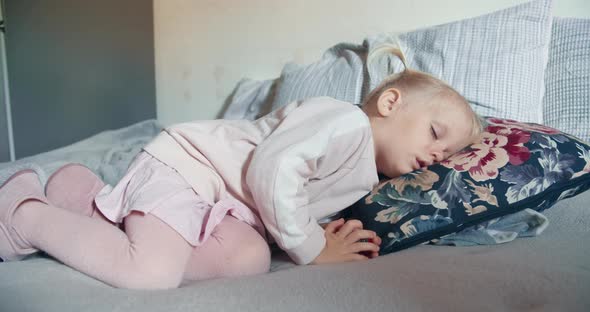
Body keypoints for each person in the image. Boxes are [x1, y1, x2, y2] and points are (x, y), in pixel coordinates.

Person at [0, 48, 483, 289]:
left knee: (249, 260)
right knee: (152, 272)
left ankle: (87, 199)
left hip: (222, 209)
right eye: (435, 134)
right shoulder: (344, 121)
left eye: (447, 153)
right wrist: (312, 249)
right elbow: (274, 169)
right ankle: (23, 212)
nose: (437, 157)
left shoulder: (368, 177)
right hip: (190, 169)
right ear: (391, 103)